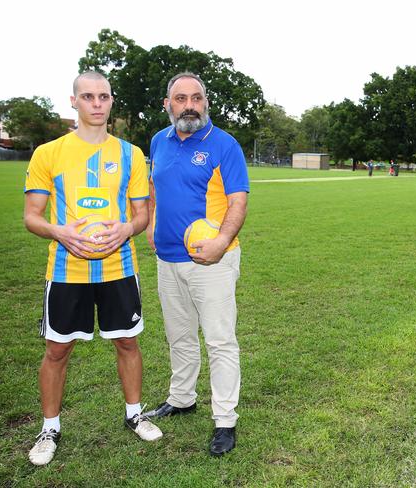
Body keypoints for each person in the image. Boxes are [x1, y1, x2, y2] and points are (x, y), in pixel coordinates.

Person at [23, 71, 162, 466]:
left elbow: (141, 214)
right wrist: (59, 231)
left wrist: (127, 229)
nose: (96, 104)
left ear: (112, 101)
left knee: (128, 343)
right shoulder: (47, 154)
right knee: (56, 350)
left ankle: (135, 415)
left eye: (103, 96)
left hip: (119, 267)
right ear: (73, 101)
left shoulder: (130, 155)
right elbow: (32, 217)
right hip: (67, 271)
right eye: (88, 96)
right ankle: (50, 426)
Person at [144, 72, 249, 457]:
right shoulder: (158, 140)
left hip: (213, 261)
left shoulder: (224, 144)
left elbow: (238, 200)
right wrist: (153, 225)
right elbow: (154, 187)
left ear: (206, 102)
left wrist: (221, 242)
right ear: (168, 104)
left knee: (220, 341)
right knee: (180, 336)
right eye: (181, 98)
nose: (190, 105)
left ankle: (225, 420)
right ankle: (182, 397)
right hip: (168, 258)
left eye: (197, 98)